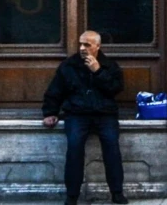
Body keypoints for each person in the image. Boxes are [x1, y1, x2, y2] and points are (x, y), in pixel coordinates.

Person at [42, 30, 125, 205]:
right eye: (80, 43)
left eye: (87, 44)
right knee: (74, 149)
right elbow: (55, 91)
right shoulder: (69, 66)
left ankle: (117, 192)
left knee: (112, 149)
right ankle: (72, 196)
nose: (82, 48)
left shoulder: (109, 65)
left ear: (98, 46)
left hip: (104, 114)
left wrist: (98, 71)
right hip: (77, 114)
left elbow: (115, 89)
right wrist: (50, 112)